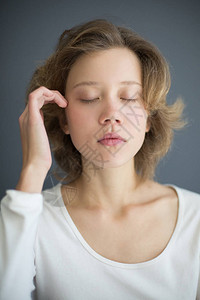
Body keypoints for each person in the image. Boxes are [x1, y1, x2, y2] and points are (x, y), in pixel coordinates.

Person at [0, 18, 199, 300]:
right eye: (90, 97)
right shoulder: (29, 218)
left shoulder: (195, 218)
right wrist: (33, 169)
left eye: (129, 97)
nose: (111, 115)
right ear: (64, 119)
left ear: (148, 118)